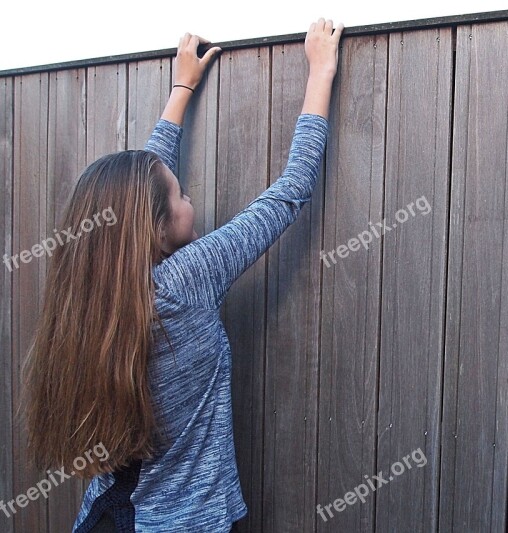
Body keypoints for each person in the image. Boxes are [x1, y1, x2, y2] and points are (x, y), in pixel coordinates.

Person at [21, 17, 344, 532]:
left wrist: (182, 87)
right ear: (154, 228)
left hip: (104, 518)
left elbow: (139, 192)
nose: (190, 196)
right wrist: (320, 73)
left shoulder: (87, 301)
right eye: (183, 196)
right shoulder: (186, 282)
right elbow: (288, 192)